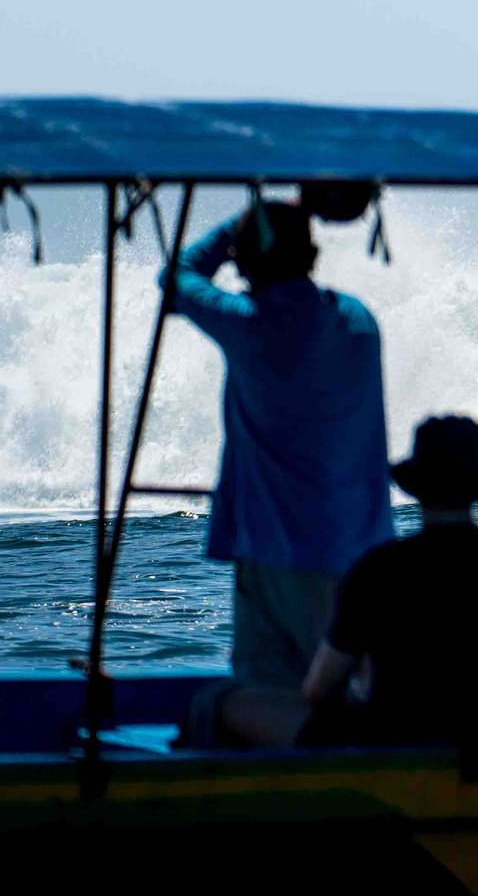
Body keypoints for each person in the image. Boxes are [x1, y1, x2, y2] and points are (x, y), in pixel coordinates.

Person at [168, 202, 392, 690]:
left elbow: (179, 274)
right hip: (361, 547)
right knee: (348, 692)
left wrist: (237, 220)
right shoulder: (358, 320)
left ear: (242, 261)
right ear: (311, 253)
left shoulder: (249, 324)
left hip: (272, 547)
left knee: (272, 693)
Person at [294, 416, 478, 751]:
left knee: (223, 702)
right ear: (475, 485)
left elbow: (318, 689)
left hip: (391, 750)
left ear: (417, 485)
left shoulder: (378, 569)